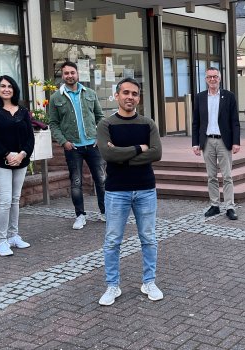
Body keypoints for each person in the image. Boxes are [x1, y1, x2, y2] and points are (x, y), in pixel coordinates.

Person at [96, 77, 164, 306]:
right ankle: (112, 286)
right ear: (117, 96)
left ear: (138, 98)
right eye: (125, 93)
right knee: (113, 240)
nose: (130, 97)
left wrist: (123, 156)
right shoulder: (106, 125)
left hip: (145, 189)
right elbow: (108, 156)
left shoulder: (148, 123)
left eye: (134, 93)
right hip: (117, 191)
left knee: (149, 238)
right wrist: (138, 149)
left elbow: (156, 153)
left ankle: (149, 282)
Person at [48, 61, 106, 230]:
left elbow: (100, 117)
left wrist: (100, 136)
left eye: (72, 72)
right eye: (66, 73)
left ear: (77, 74)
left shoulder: (90, 93)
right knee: (76, 182)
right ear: (62, 75)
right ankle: (80, 215)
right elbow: (53, 123)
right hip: (73, 148)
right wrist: (63, 142)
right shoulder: (56, 97)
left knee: (102, 180)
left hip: (93, 145)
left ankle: (104, 212)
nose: (70, 76)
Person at [0, 75, 34, 257]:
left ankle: (13, 236)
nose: (6, 89)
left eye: (10, 86)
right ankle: (1, 241)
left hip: (20, 160)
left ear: (14, 89)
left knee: (15, 199)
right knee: (4, 200)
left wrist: (22, 154)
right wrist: (7, 154)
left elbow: (30, 137)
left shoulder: (22, 110)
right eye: (3, 86)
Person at [192, 67, 241, 220]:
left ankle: (229, 207)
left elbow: (235, 122)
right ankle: (214, 205)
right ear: (206, 79)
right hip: (207, 141)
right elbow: (196, 122)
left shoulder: (229, 96)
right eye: (209, 77)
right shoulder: (200, 97)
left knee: (227, 176)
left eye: (215, 77)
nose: (212, 80)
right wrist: (195, 143)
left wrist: (236, 142)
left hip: (223, 141)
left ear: (220, 78)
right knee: (211, 176)